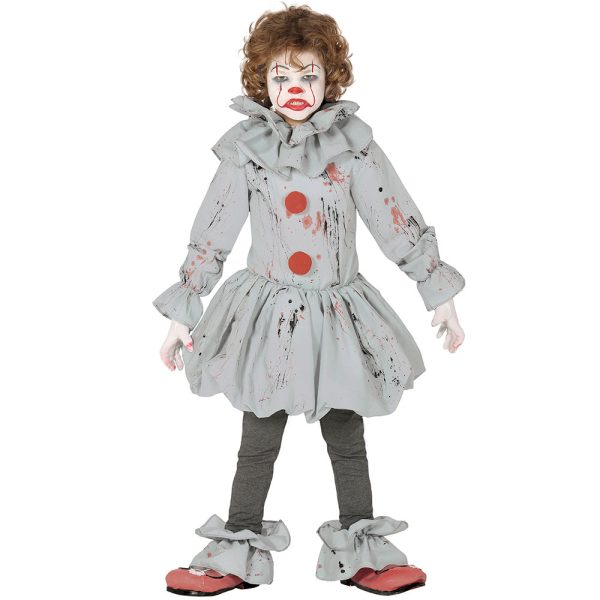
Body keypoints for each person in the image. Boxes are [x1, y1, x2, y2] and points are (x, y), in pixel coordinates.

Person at [153, 5, 466, 596]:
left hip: (337, 315)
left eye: (308, 75)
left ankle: (363, 552)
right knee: (258, 436)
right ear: (261, 81)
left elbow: (395, 217)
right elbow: (213, 229)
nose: (294, 88)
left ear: (330, 79)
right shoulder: (248, 150)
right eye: (281, 76)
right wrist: (183, 307)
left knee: (346, 434)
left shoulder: (353, 149)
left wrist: (437, 290)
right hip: (267, 317)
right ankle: (237, 551)